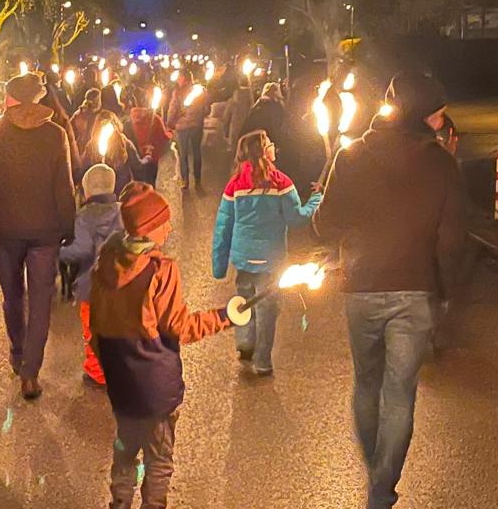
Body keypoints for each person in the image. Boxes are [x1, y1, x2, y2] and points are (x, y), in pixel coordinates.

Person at [314, 71, 465, 509]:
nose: (442, 122)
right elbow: (452, 239)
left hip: (361, 285)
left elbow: (325, 225)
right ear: (420, 113)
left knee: (367, 382)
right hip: (416, 291)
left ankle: (376, 475)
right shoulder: (441, 164)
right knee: (400, 393)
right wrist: (445, 290)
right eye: (437, 114)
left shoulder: (351, 155)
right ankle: (382, 488)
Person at [91, 182, 231, 509]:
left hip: (122, 386)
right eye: (163, 222)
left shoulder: (105, 264)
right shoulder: (160, 270)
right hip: (156, 388)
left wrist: (113, 367)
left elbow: (96, 328)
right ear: (149, 227)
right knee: (158, 460)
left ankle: (119, 504)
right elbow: (179, 328)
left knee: (124, 453)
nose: (169, 228)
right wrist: (224, 317)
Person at [0, 72, 76, 401]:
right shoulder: (55, 135)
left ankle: (17, 350)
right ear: (39, 98)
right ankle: (30, 373)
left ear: (11, 98)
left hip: (6, 230)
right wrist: (69, 227)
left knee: (12, 295)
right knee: (40, 303)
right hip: (46, 232)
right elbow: (64, 188)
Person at [211, 129, 321, 376]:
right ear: (263, 151)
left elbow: (223, 225)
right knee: (267, 310)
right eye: (270, 143)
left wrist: (219, 265)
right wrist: (316, 199)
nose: (273, 147)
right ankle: (262, 362)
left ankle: (245, 343)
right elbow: (297, 218)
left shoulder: (235, 184)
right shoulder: (281, 183)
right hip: (271, 259)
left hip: (243, 259)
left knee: (245, 301)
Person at [59, 164, 123, 387]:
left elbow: (81, 249)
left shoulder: (85, 216)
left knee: (93, 331)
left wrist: (59, 250)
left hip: (93, 287)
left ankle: (98, 374)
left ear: (87, 191)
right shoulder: (123, 211)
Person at [87, 110, 149, 197]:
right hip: (121, 191)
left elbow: (85, 169)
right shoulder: (125, 143)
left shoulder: (91, 145)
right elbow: (137, 166)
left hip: (98, 192)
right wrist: (147, 158)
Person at [166, 70, 208, 190]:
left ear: (184, 78)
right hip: (196, 126)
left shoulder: (177, 92)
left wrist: (169, 123)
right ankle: (197, 179)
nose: (177, 80)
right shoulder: (200, 91)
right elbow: (206, 108)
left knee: (183, 154)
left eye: (179, 77)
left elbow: (173, 108)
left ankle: (185, 180)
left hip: (182, 127)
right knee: (196, 152)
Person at [123, 92, 172, 187]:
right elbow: (163, 138)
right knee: (150, 185)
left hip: (136, 160)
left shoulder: (128, 122)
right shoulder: (155, 119)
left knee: (138, 185)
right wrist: (170, 133)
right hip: (152, 158)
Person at [240, 82, 286, 147]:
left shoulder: (258, 106)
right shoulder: (275, 106)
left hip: (257, 141)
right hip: (269, 141)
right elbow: (276, 125)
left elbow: (248, 125)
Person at [71, 88, 103, 158]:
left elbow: (70, 130)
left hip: (79, 149)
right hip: (88, 151)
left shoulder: (78, 113)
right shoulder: (100, 117)